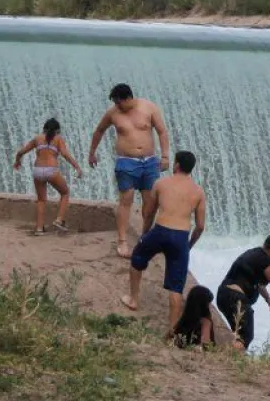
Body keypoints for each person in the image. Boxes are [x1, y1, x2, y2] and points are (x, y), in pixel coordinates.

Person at [119, 151, 206, 338]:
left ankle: (133, 299)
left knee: (137, 258)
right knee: (176, 287)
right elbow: (200, 226)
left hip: (160, 231)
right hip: (181, 236)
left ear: (176, 165)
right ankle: (172, 330)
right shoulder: (198, 192)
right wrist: (189, 244)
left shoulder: (161, 183)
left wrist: (145, 234)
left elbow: (149, 212)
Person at [88, 83, 171, 258]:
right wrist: (92, 153)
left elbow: (162, 131)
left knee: (150, 202)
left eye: (119, 103)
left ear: (128, 98)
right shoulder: (113, 113)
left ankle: (145, 237)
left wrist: (165, 156)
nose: (117, 106)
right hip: (126, 162)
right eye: (115, 103)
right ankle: (122, 241)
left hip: (149, 162)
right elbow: (99, 130)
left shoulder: (149, 107)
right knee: (126, 199)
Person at [215, 227, 270, 351]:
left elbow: (258, 283)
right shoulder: (263, 259)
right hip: (236, 299)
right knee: (245, 337)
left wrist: (268, 299)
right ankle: (229, 363)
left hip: (224, 296)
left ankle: (227, 359)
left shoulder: (254, 253)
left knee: (238, 335)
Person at [13, 118, 84, 236]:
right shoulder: (58, 139)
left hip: (37, 170)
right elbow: (65, 155)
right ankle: (59, 220)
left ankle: (39, 229)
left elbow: (21, 152)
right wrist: (77, 167)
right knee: (65, 193)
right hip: (51, 170)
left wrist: (17, 162)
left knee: (41, 200)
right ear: (57, 131)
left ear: (44, 129)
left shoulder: (37, 139)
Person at [171, 285, 216, 349]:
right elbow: (205, 343)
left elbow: (171, 336)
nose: (210, 306)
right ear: (203, 304)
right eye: (209, 303)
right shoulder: (205, 321)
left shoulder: (185, 318)